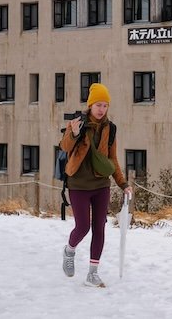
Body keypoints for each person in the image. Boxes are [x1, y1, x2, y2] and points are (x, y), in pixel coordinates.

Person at [59, 83, 132, 287]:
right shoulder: (78, 123)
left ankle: (92, 273)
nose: (101, 109)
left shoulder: (110, 128)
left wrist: (123, 183)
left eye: (105, 105)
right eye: (98, 104)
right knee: (82, 226)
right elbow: (64, 147)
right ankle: (69, 250)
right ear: (90, 105)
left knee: (99, 227)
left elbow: (113, 159)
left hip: (101, 185)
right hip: (79, 185)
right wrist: (72, 133)